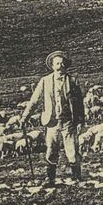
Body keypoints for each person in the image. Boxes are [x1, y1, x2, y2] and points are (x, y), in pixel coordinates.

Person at [20, 50, 86, 185]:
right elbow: (34, 101)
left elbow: (79, 103)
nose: (60, 66)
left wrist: (80, 120)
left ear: (66, 65)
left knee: (72, 149)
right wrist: (24, 117)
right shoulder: (45, 81)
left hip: (68, 122)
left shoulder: (73, 80)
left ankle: (76, 177)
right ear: (52, 65)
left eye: (62, 63)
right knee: (51, 149)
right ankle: (50, 178)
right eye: (57, 63)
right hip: (52, 122)